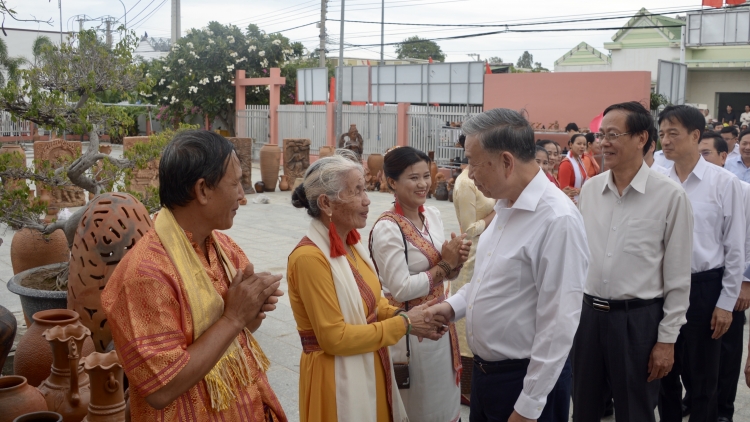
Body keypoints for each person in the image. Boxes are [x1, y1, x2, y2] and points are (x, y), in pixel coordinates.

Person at [101, 130, 287, 421]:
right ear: (202, 190)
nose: (243, 196)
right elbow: (161, 389)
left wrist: (253, 307)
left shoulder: (223, 249)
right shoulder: (145, 276)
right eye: (236, 183)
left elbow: (239, 332)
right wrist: (233, 317)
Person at [424, 108, 590, 422]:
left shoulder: (557, 220)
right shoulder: (504, 207)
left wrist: (528, 407)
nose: (469, 174)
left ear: (506, 162)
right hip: (489, 379)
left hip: (525, 382)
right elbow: (488, 279)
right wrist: (451, 307)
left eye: (473, 162)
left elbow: (559, 324)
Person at [286, 151, 448, 422]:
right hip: (335, 378)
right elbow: (334, 338)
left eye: (365, 189)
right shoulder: (309, 259)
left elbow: (375, 302)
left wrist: (406, 317)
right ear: (326, 203)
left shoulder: (350, 244)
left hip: (370, 363)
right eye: (357, 191)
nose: (367, 200)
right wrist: (404, 324)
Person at [573, 101, 693, 422]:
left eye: (613, 134)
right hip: (588, 318)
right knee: (584, 408)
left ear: (641, 138)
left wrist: (666, 340)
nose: (604, 143)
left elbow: (679, 277)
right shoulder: (591, 190)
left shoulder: (670, 196)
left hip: (638, 322)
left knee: (635, 411)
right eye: (601, 135)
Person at [656, 105, 745, 422]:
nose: (665, 141)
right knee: (664, 375)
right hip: (662, 288)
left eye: (673, 134)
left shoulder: (723, 183)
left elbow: (735, 247)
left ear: (695, 135)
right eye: (662, 134)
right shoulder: (657, 181)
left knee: (704, 379)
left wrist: (725, 302)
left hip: (705, 289)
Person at [368, 146, 470, 421]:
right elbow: (400, 288)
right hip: (411, 333)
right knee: (420, 408)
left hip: (441, 326)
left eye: (426, 175)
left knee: (447, 404)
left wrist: (455, 263)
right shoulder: (387, 228)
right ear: (392, 182)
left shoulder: (432, 216)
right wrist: (444, 266)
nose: (423, 184)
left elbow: (446, 275)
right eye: (413, 178)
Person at [696, 132, 750, 422]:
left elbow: (745, 243)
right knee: (698, 355)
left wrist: (745, 282)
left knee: (726, 351)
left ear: (722, 157)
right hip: (700, 280)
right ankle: (695, 402)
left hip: (731, 281)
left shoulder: (740, 189)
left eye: (706, 153)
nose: (700, 158)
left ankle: (723, 410)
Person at [452, 145, 497, 405]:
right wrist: (496, 213)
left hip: (486, 254)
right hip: (471, 257)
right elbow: (468, 229)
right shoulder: (464, 184)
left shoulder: (482, 180)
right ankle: (464, 384)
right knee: (465, 322)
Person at [558, 133, 590, 202]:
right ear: (571, 145)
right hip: (571, 201)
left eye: (584, 144)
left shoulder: (580, 161)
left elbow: (585, 178)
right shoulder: (566, 164)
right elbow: (564, 188)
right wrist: (581, 190)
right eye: (579, 144)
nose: (582, 146)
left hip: (581, 199)